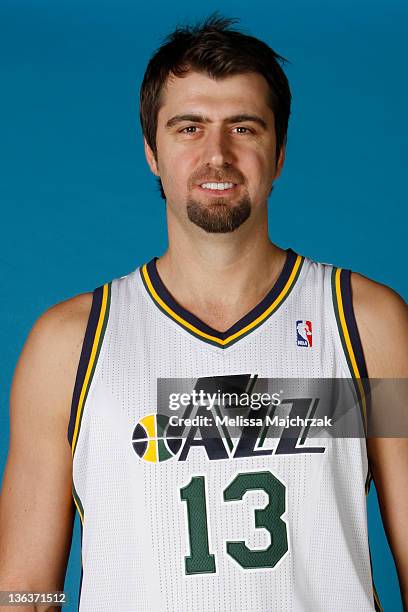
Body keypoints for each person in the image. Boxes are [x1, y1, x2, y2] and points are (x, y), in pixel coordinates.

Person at [0, 14, 407, 612]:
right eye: (188, 127)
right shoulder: (68, 346)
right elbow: (24, 593)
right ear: (152, 152)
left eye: (243, 127)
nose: (217, 154)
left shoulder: (368, 325)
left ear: (280, 150)